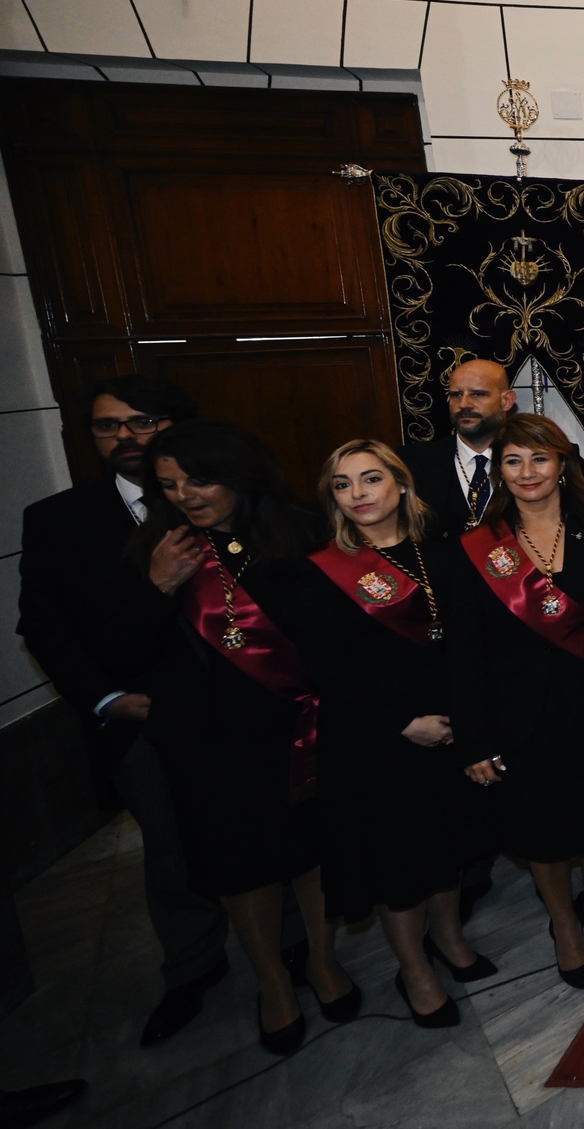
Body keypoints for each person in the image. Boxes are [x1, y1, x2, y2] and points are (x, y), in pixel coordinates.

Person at [127, 420, 354, 1056]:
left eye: (200, 480)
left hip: (299, 726)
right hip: (209, 743)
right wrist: (158, 589)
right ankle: (272, 983)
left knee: (312, 853)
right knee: (243, 867)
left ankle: (321, 961)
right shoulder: (158, 547)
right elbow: (126, 651)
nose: (186, 495)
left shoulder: (302, 530)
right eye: (169, 484)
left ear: (240, 475)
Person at [16, 374, 229, 1049]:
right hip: (141, 716)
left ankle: (286, 946)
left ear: (176, 426)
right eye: (108, 425)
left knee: (259, 823)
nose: (126, 437)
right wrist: (107, 697)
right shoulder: (58, 518)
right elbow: (45, 626)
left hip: (237, 706)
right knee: (170, 845)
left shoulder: (228, 501)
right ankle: (193, 965)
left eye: (143, 421)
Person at [271, 441, 495, 1029]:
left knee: (447, 846)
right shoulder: (319, 569)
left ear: (400, 485)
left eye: (371, 479)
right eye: (343, 486)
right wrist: (404, 723)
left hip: (447, 730)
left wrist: (463, 723)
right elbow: (326, 669)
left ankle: (448, 938)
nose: (359, 494)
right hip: (376, 740)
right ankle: (414, 968)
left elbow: (469, 647)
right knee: (401, 861)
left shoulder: (443, 555)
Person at [446, 414, 584, 990]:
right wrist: (475, 736)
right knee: (540, 830)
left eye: (540, 458)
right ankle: (563, 922)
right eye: (513, 460)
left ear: (563, 464)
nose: (527, 471)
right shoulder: (476, 548)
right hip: (518, 720)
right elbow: (464, 655)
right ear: (499, 471)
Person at [401, 358, 517, 537]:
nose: (464, 404)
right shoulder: (412, 462)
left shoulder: (539, 462)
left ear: (507, 401)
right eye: (456, 395)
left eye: (478, 394)